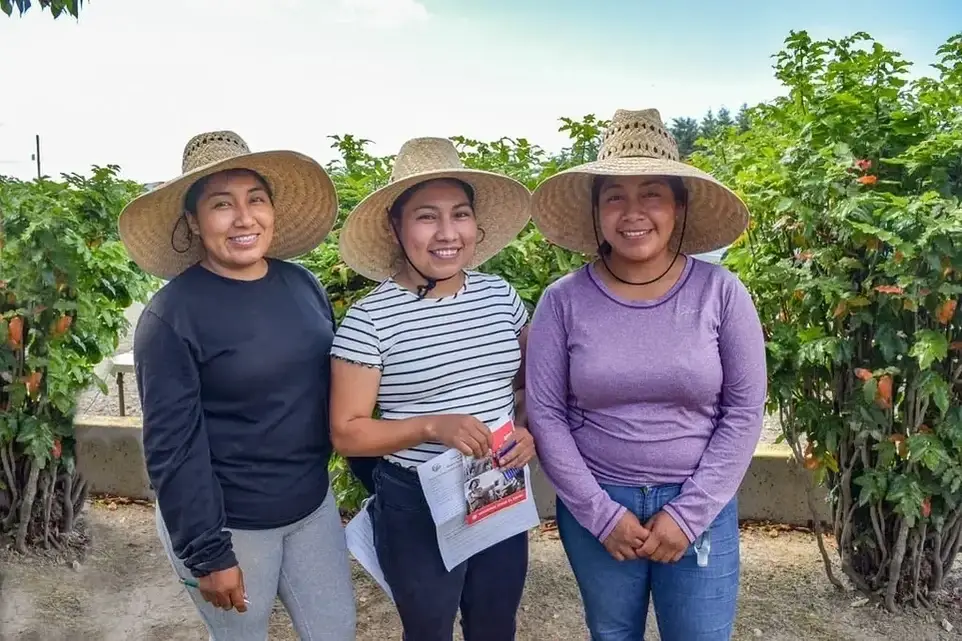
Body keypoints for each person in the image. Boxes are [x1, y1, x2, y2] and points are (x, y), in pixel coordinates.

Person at [524, 108, 767, 641]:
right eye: (615, 196)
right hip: (597, 504)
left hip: (700, 500)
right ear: (597, 211)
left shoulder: (721, 292)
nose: (633, 213)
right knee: (612, 634)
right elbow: (545, 413)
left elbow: (745, 410)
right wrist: (601, 515)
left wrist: (689, 514)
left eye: (652, 194)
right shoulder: (562, 301)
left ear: (678, 206)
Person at [119, 131, 356, 640]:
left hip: (311, 506)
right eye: (222, 205)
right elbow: (172, 446)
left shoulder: (303, 285)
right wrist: (208, 552)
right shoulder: (172, 317)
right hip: (232, 523)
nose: (244, 218)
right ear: (193, 221)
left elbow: (329, 394)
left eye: (256, 200)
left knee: (335, 631)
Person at [328, 137, 536, 641]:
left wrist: (528, 430)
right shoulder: (370, 319)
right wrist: (430, 427)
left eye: (460, 214)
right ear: (395, 227)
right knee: (428, 629)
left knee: (495, 625)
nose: (447, 233)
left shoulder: (500, 297)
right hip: (417, 502)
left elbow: (530, 384)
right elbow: (347, 432)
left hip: (497, 485)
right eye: (426, 217)